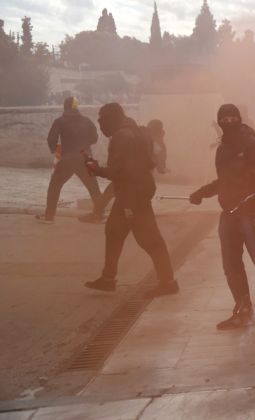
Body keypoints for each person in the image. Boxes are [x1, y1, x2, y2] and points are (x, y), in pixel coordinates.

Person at [189, 104, 255, 329]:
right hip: (229, 215)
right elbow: (224, 181)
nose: (227, 123)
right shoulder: (222, 149)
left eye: (231, 118)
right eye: (223, 119)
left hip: (251, 214)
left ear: (239, 118)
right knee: (231, 266)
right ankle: (243, 310)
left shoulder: (253, 145)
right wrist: (202, 193)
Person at [84, 103, 178, 297]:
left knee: (149, 239)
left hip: (131, 195)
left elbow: (117, 171)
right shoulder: (136, 131)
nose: (101, 125)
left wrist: (96, 170)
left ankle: (168, 282)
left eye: (102, 120)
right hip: (137, 189)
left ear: (112, 118)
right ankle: (108, 278)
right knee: (113, 232)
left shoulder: (121, 136)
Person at [79, 119, 168, 223]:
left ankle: (97, 214)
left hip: (127, 176)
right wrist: (162, 169)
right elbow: (160, 166)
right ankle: (136, 218)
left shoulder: (141, 138)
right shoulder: (159, 144)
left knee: (112, 194)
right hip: (142, 178)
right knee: (136, 202)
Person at [36, 96, 102, 223]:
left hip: (68, 158)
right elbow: (94, 138)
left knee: (55, 185)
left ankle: (49, 217)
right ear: (77, 107)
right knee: (94, 187)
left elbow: (51, 140)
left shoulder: (60, 121)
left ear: (65, 107)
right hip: (86, 157)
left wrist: (55, 150)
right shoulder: (87, 121)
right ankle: (99, 215)